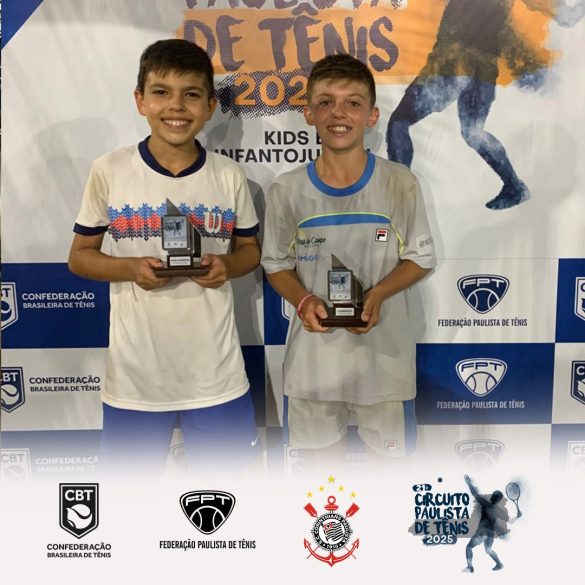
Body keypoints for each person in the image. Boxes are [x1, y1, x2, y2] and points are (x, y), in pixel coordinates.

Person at [68, 39, 261, 476]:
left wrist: (226, 266)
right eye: (161, 92)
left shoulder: (229, 175)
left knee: (231, 502)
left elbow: (249, 251)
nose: (176, 106)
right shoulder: (109, 170)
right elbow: (80, 257)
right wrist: (130, 269)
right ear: (140, 100)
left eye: (191, 94)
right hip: (135, 379)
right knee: (129, 503)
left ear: (210, 106)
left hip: (216, 376)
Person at [261, 54, 437, 471]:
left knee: (388, 483)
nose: (338, 113)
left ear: (372, 115)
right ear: (308, 114)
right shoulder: (286, 189)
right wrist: (304, 301)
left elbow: (421, 258)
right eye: (325, 102)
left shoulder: (399, 182)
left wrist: (377, 296)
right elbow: (275, 263)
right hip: (314, 366)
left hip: (385, 362)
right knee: (322, 491)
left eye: (353, 103)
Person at [387, 0, 584, 210]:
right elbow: (564, 16)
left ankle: (401, 198)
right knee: (473, 132)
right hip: (483, 73)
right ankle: (514, 186)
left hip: (452, 65)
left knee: (399, 122)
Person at [463, 474, 522, 573]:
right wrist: (517, 516)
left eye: (493, 495)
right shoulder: (499, 511)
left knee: (469, 547)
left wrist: (469, 483)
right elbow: (511, 521)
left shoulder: (486, 504)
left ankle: (470, 567)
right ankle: (499, 564)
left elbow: (474, 493)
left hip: (482, 532)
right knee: (488, 550)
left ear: (493, 498)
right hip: (490, 534)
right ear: (499, 500)